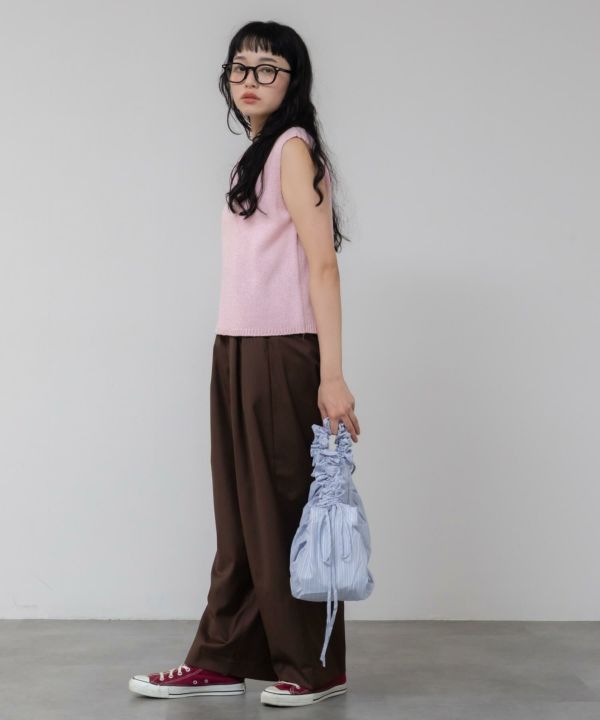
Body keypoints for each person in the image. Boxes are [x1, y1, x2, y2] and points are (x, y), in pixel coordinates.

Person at [128, 19, 360, 708]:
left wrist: (332, 375)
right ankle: (223, 658)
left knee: (281, 510)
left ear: (293, 80)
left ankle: (316, 667)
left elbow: (323, 266)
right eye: (239, 67)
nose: (249, 80)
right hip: (235, 346)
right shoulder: (254, 156)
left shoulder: (292, 148)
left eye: (267, 69)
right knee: (238, 516)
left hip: (281, 350)